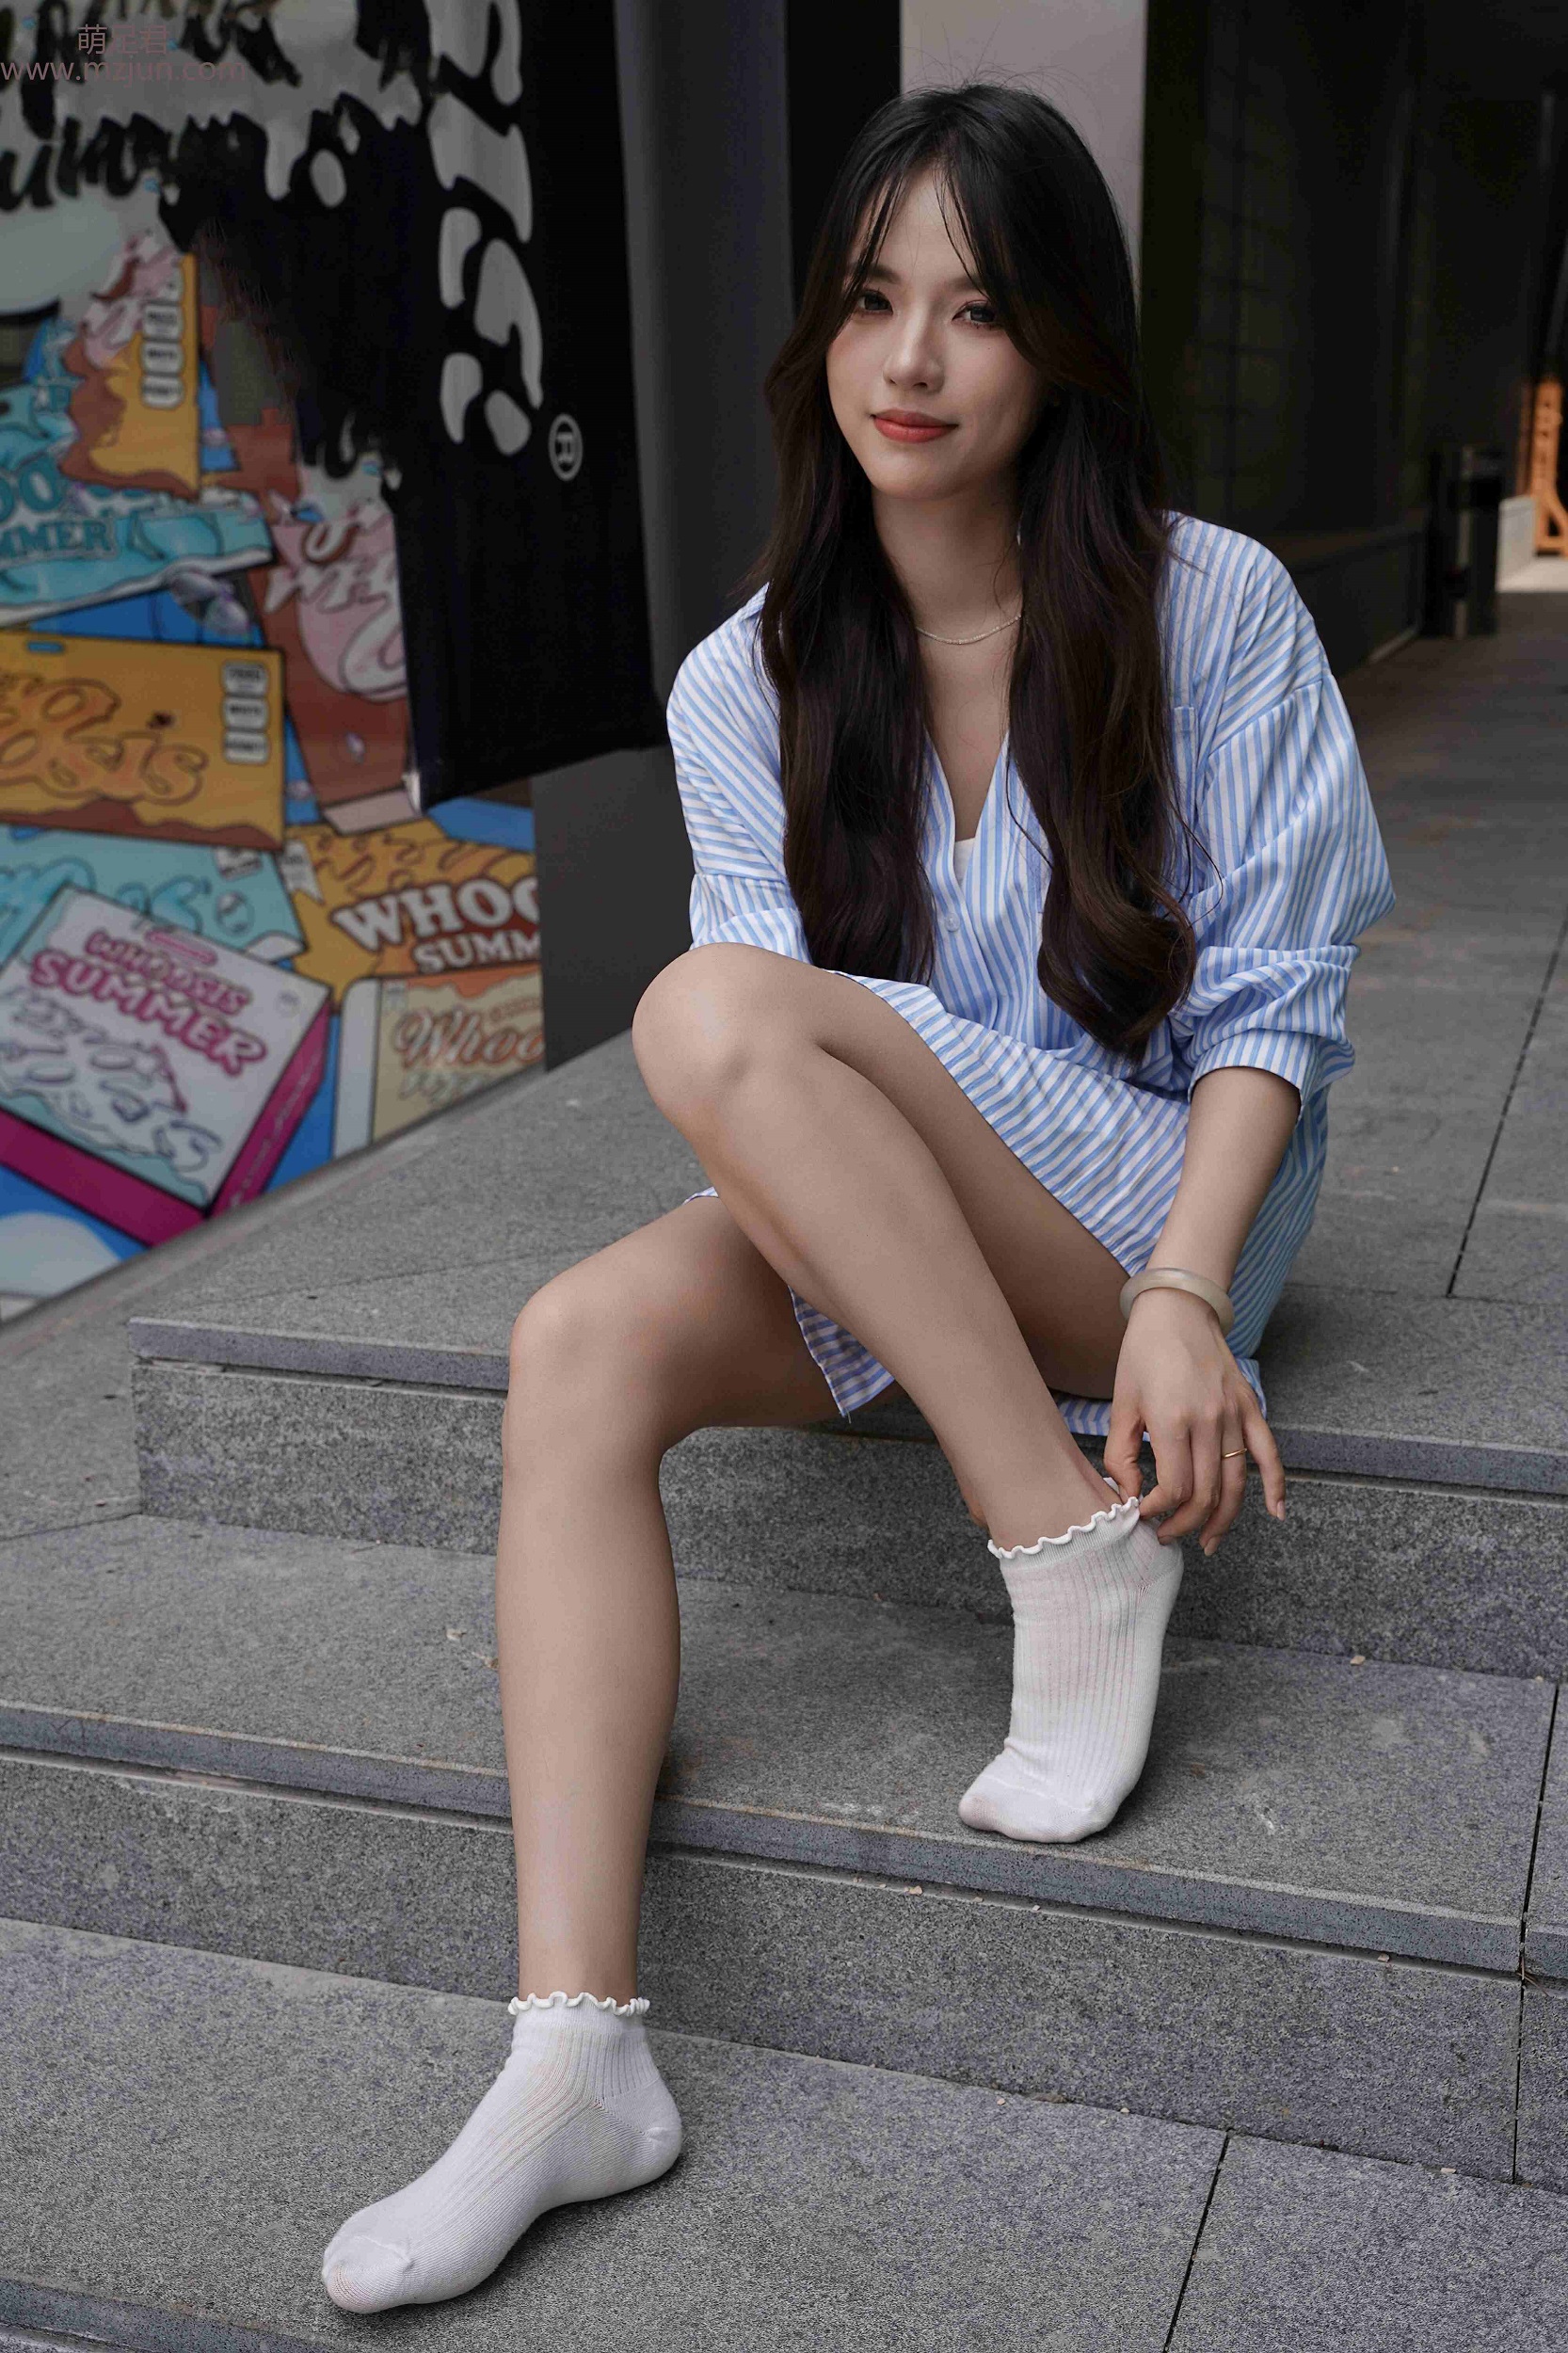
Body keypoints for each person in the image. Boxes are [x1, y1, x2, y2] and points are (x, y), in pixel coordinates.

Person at [321, 81, 1394, 2310]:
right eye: (868, 301)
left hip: (1162, 1214)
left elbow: (1270, 1008)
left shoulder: (1210, 605)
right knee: (574, 1341)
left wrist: (1186, 1290)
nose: (908, 361)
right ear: (817, 330)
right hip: (910, 1211)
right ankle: (573, 2050)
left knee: (710, 1008)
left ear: (1059, 344)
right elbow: (773, 1088)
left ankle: (1063, 1551)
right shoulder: (747, 677)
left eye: (974, 309)